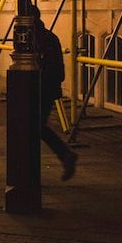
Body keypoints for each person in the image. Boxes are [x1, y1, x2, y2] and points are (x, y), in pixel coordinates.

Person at [33, 10, 78, 181]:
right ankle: (65, 155)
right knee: (35, 127)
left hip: (44, 89)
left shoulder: (44, 39)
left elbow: (53, 70)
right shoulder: (41, 37)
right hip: (42, 88)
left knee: (36, 127)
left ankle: (65, 155)